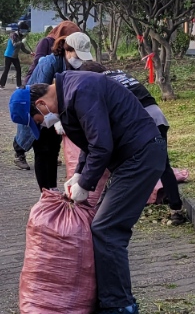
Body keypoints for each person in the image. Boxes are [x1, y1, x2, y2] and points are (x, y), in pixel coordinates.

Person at [25, 70, 166, 314]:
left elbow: (102, 146)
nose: (44, 124)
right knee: (104, 227)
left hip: (140, 158)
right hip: (132, 159)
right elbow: (91, 145)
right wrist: (79, 173)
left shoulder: (81, 91)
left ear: (41, 104)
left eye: (38, 119)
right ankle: (112, 300)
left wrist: (85, 185)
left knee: (107, 228)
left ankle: (122, 309)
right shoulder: (72, 95)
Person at [71, 45, 187, 225]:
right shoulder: (119, 73)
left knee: (120, 165)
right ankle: (176, 210)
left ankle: (108, 205)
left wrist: (80, 171)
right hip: (157, 114)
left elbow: (94, 135)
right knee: (164, 165)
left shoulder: (97, 85)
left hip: (140, 121)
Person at [25, 20, 81, 188]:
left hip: (57, 111)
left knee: (53, 150)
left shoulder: (73, 61)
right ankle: (46, 192)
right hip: (41, 109)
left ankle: (52, 188)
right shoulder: (50, 61)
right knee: (42, 150)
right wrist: (49, 115)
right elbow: (40, 89)